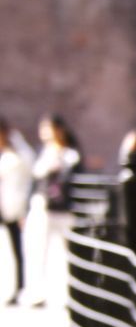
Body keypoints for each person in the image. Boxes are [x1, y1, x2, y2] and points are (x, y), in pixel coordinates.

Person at [25, 114, 81, 308]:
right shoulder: (44, 153)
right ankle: (37, 292)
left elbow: (74, 178)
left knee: (69, 252)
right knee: (38, 250)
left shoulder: (70, 154)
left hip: (64, 209)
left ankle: (72, 292)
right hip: (43, 207)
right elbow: (34, 182)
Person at [0, 119, 34, 306]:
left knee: (17, 251)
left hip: (15, 209)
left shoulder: (19, 154)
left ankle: (19, 287)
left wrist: (24, 209)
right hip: (5, 206)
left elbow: (28, 179)